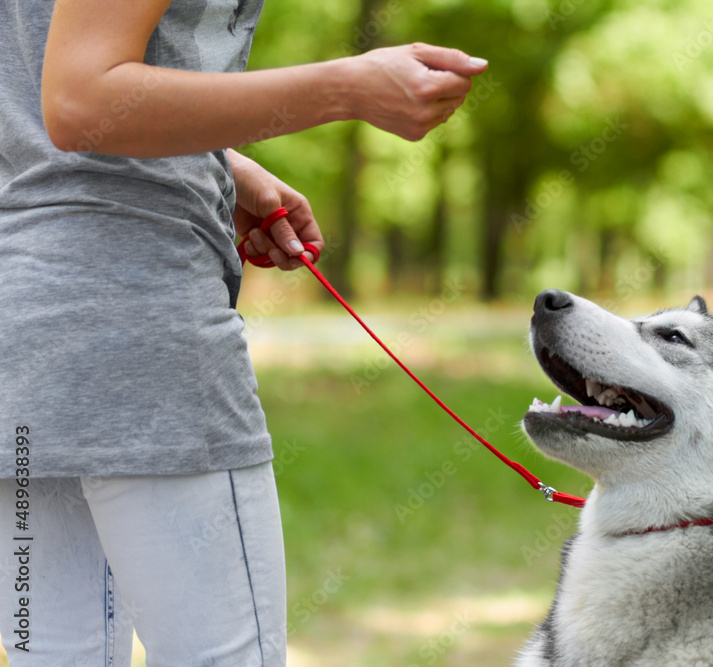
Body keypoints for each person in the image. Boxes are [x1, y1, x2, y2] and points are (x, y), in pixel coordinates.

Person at [0, 0, 487, 664]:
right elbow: (80, 99)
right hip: (145, 330)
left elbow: (39, 95)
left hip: (25, 340)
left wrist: (217, 169)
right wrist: (347, 87)